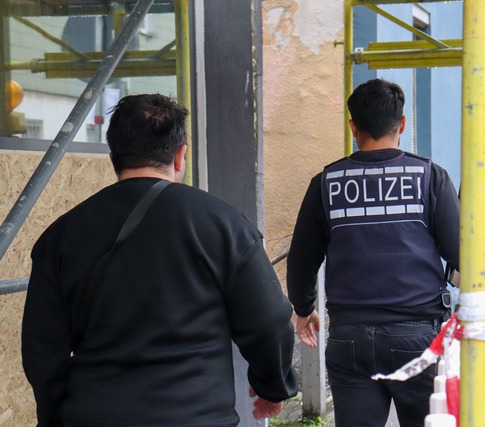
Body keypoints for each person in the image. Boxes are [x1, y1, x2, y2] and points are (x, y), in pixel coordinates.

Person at [22, 93, 298, 426]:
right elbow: (268, 322)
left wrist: (55, 416)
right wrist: (272, 386)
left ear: (114, 156)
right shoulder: (222, 225)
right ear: (181, 156)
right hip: (196, 417)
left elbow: (42, 350)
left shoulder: (61, 236)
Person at [287, 79, 460, 427]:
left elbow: (302, 259)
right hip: (417, 337)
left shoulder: (326, 182)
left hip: (349, 339)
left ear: (353, 126)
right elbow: (460, 254)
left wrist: (305, 309)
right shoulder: (430, 177)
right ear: (402, 124)